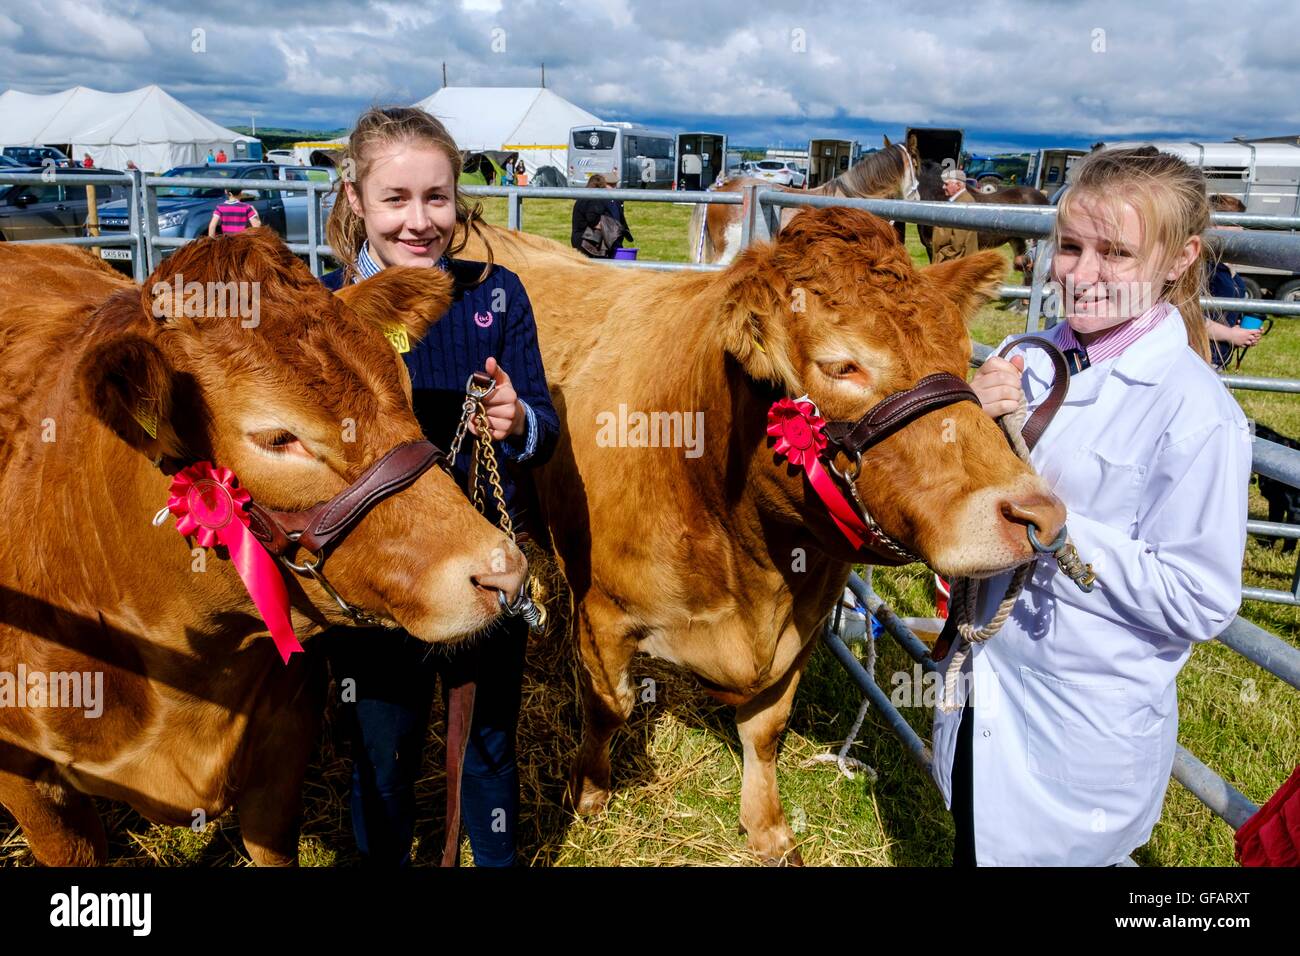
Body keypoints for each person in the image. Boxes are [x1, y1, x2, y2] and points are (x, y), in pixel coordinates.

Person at [934, 146, 1252, 866]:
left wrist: (1066, 533)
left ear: (1180, 258)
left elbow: (1201, 598)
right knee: (971, 842)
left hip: (1080, 728)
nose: (1080, 275)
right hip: (986, 690)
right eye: (1070, 247)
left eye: (1115, 253)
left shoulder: (1196, 413)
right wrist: (967, 425)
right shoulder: (1027, 356)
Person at [320, 105, 559, 867]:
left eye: (437, 197)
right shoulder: (320, 312)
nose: (420, 221)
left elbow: (546, 432)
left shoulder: (497, 296)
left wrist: (517, 419)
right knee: (379, 753)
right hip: (379, 575)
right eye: (395, 199)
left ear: (458, 198)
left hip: (486, 561)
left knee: (489, 744)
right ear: (355, 200)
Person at [1204, 194, 1262, 369]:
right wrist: (1230, 334)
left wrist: (1241, 330)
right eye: (1235, 224)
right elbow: (1188, 316)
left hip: (1218, 359)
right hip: (1200, 357)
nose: (1241, 231)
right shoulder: (1204, 267)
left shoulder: (1227, 270)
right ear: (1215, 224)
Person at [570, 174, 633, 258]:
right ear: (603, 185)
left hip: (599, 241)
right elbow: (593, 221)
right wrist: (614, 228)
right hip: (587, 242)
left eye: (615, 185)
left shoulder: (615, 200)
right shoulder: (592, 199)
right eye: (610, 185)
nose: (614, 188)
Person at [931, 167, 978, 263]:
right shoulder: (958, 201)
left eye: (946, 184)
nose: (943, 187)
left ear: (958, 185)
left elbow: (958, 244)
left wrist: (942, 256)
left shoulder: (963, 204)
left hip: (954, 262)